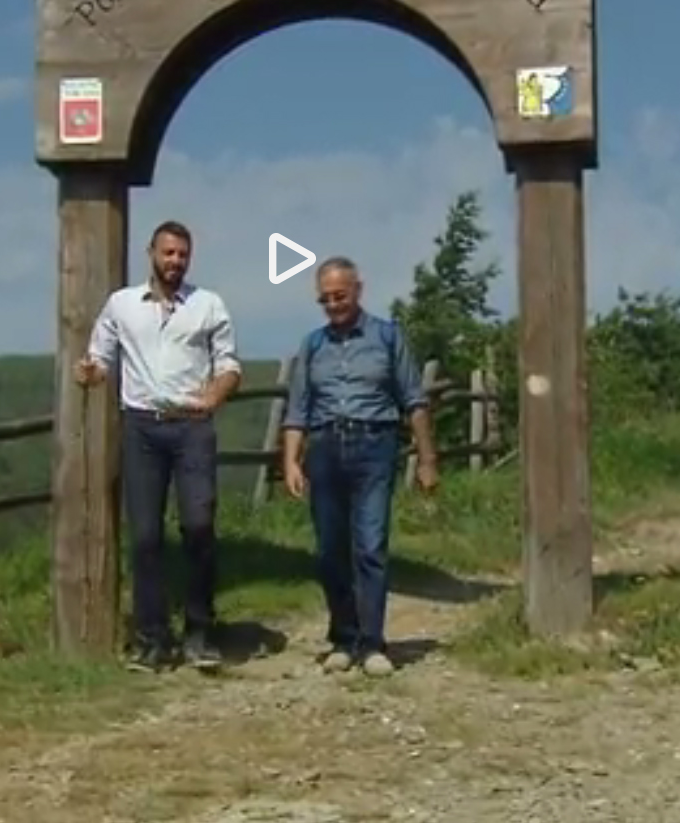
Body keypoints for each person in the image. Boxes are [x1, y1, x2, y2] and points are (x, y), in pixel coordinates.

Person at [74, 220, 242, 673]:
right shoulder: (122, 305)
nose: (175, 262)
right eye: (168, 253)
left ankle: (199, 630)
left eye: (182, 255)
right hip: (142, 427)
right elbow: (100, 357)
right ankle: (151, 639)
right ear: (151, 253)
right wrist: (89, 373)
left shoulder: (208, 305)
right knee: (146, 536)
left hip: (191, 426)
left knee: (199, 526)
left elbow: (229, 365)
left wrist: (216, 394)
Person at [278, 256, 439, 677]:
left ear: (358, 291)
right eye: (326, 299)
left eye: (340, 296)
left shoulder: (387, 337)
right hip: (326, 447)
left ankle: (372, 643)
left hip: (374, 444)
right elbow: (297, 409)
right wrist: (291, 460)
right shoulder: (312, 345)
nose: (333, 305)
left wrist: (427, 459)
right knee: (331, 550)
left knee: (370, 545)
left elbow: (414, 401)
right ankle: (343, 638)